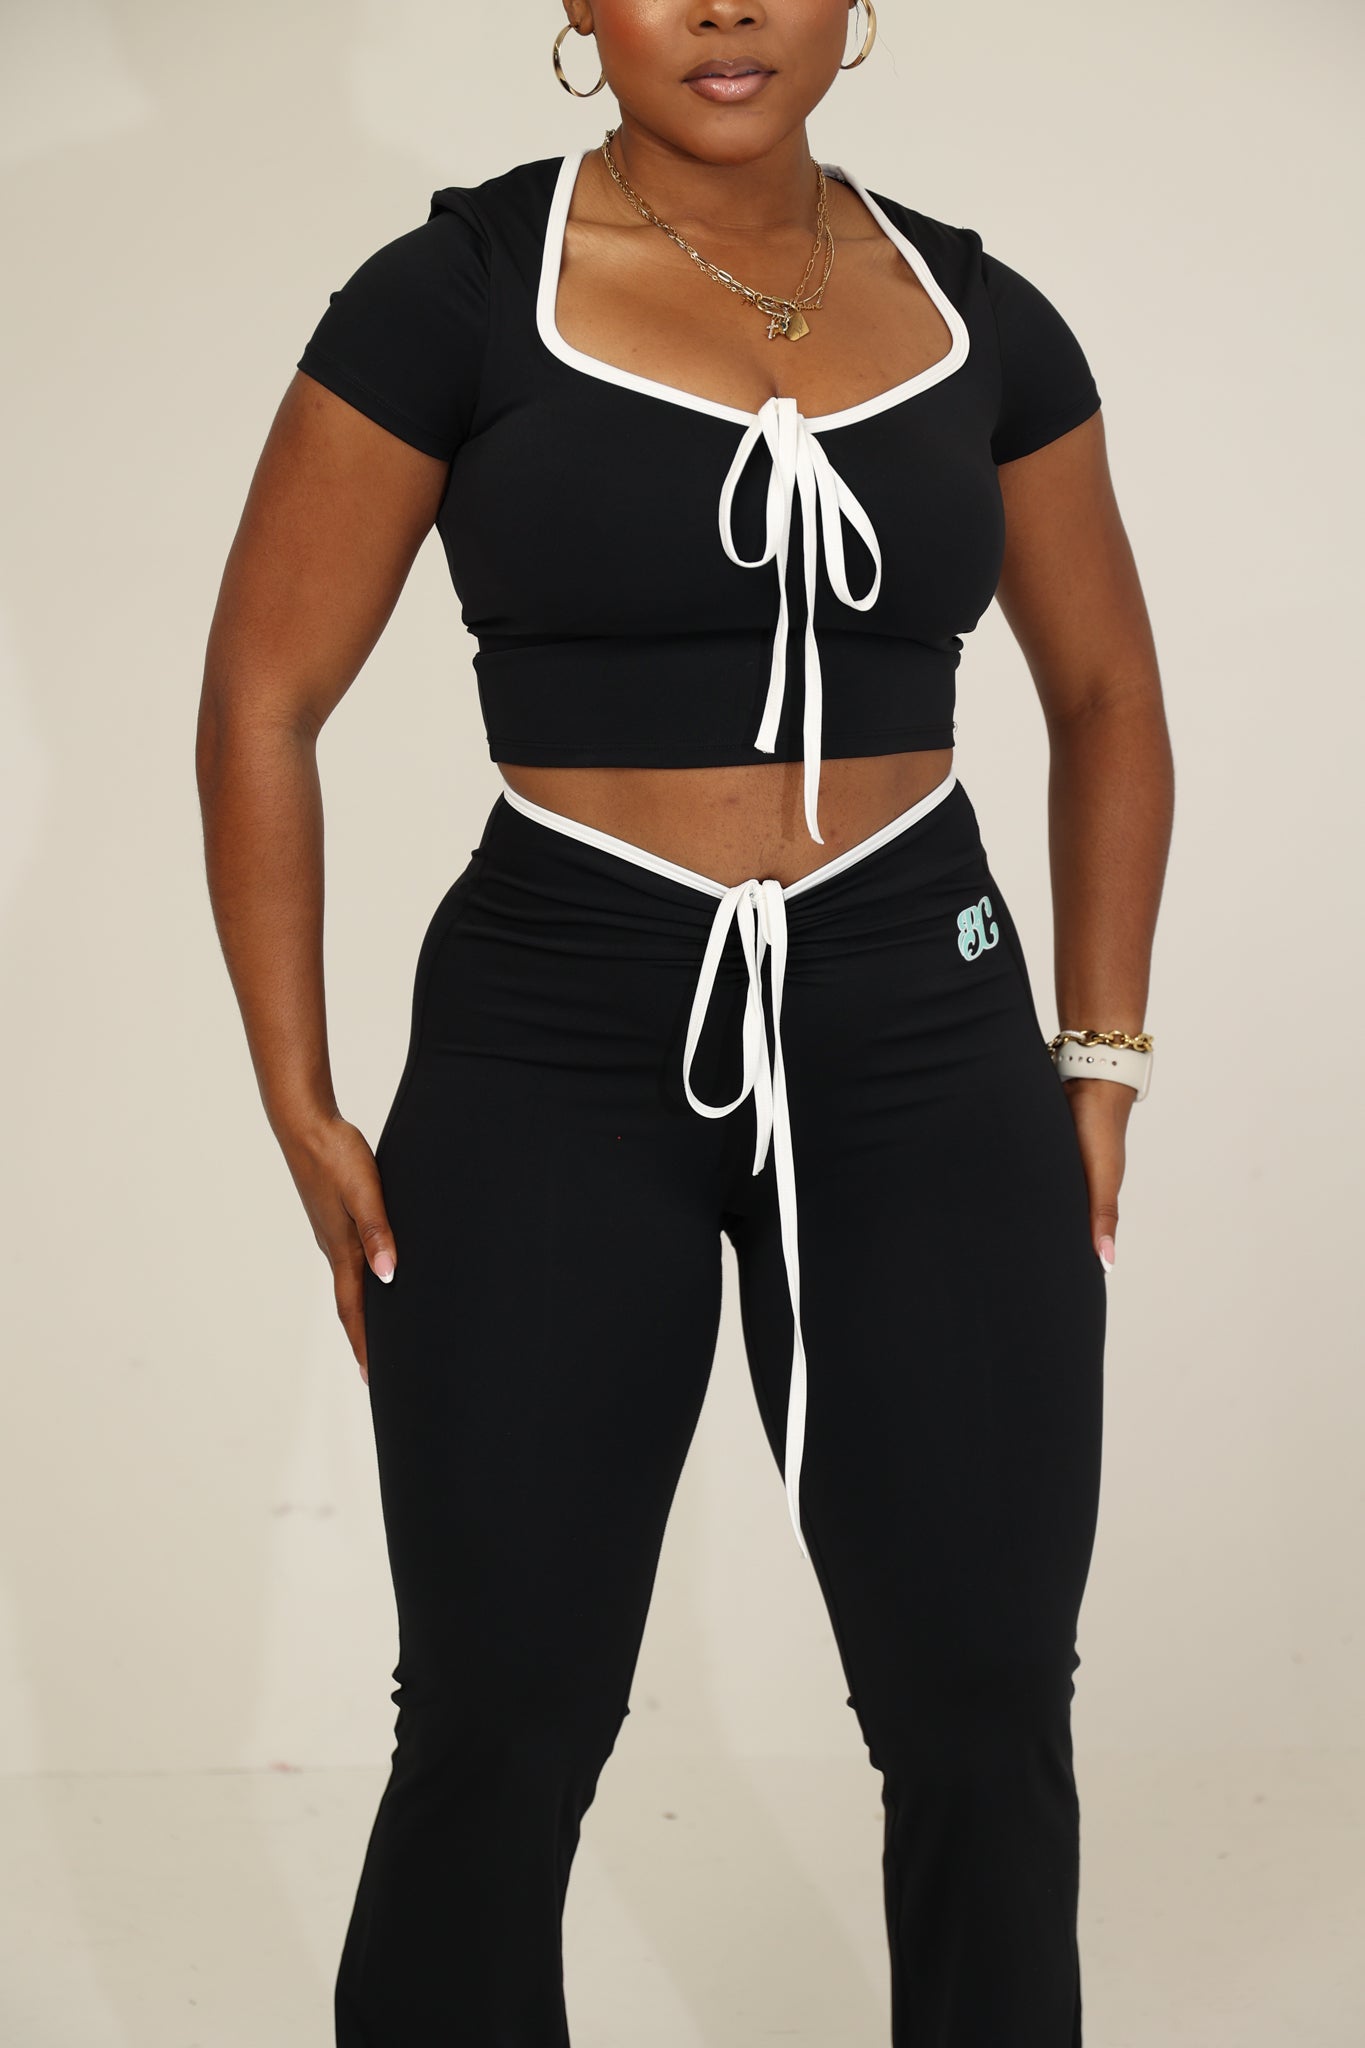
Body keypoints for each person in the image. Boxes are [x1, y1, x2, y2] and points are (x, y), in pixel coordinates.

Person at [196, 2, 1174, 2040]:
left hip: (921, 1024)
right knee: (504, 1703)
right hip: (552, 1029)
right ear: (576, 6)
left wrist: (1098, 1055)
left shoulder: (978, 313)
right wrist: (297, 1095)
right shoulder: (451, 295)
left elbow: (1103, 696)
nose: (722, 9)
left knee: (983, 1696)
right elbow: (262, 699)